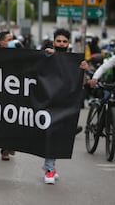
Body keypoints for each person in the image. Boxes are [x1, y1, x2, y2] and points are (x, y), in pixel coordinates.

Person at [43, 28, 88, 184]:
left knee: (58, 135)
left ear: (68, 43)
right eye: (58, 41)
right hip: (48, 102)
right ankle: (49, 168)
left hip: (65, 104)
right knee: (50, 134)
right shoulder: (47, 56)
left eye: (64, 41)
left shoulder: (75, 61)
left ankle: (50, 166)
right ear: (53, 41)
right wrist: (46, 56)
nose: (61, 44)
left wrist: (84, 71)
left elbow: (82, 84)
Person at [0, 31, 16, 161]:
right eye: (9, 40)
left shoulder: (18, 54)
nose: (12, 42)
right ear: (1, 42)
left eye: (12, 39)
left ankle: (8, 146)